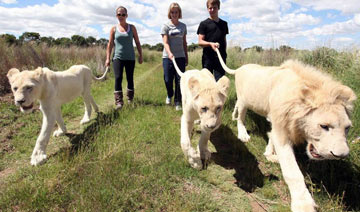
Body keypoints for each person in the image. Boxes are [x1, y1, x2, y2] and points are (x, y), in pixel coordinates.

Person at [105, 6, 143, 109]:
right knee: (118, 78)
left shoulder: (132, 27)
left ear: (126, 15)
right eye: (119, 14)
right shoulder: (113, 29)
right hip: (118, 57)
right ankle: (119, 102)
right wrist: (108, 58)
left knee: (130, 78)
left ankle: (130, 99)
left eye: (123, 14)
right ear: (116, 15)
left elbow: (138, 42)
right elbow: (110, 44)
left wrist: (140, 55)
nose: (121, 16)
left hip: (130, 58)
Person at [161, 2, 188, 111]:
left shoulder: (183, 26)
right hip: (168, 57)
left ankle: (178, 101)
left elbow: (184, 42)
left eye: (176, 12)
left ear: (179, 13)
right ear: (170, 13)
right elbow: (165, 42)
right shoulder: (166, 26)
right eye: (172, 12)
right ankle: (169, 94)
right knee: (168, 79)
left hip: (180, 56)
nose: (174, 14)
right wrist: (170, 53)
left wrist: (186, 55)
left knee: (179, 80)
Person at [197, 0, 228, 81]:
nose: (212, 10)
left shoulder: (224, 24)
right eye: (210, 8)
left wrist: (224, 53)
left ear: (218, 8)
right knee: (207, 83)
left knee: (220, 82)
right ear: (207, 9)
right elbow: (200, 41)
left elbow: (224, 40)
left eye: (215, 8)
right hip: (208, 58)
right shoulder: (203, 24)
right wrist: (210, 44)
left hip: (221, 58)